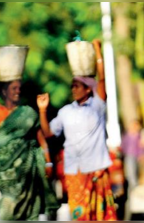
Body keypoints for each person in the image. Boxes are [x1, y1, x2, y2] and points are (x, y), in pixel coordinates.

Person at [37, 39, 117, 221]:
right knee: (78, 214)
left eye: (77, 85)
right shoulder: (65, 111)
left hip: (96, 169)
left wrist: (97, 53)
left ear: (88, 89)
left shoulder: (97, 106)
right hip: (75, 171)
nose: (73, 89)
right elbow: (48, 133)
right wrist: (42, 110)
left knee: (100, 215)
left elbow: (102, 80)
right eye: (72, 85)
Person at [0, 43, 60, 220]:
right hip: (7, 172)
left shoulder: (28, 113)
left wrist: (48, 162)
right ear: (4, 92)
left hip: (27, 172)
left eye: (19, 88)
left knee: (30, 211)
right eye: (13, 89)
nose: (18, 92)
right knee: (8, 210)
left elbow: (40, 137)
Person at [121, 120, 144, 189]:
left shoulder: (138, 135)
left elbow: (141, 146)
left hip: (136, 156)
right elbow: (123, 145)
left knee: (135, 171)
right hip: (129, 155)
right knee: (130, 172)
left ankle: (134, 186)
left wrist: (141, 154)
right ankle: (133, 186)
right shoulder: (127, 135)